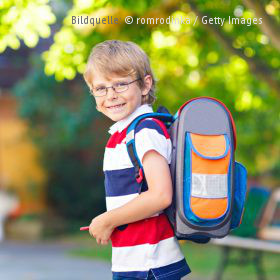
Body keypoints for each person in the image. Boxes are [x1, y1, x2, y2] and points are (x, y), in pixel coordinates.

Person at [83, 40, 191, 280]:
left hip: (150, 262)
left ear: (145, 85)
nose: (111, 95)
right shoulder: (124, 133)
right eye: (100, 88)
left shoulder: (145, 130)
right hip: (136, 260)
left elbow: (160, 195)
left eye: (121, 84)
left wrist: (106, 220)